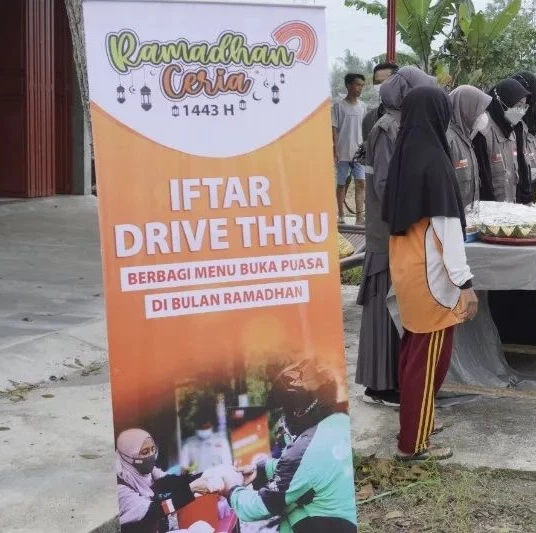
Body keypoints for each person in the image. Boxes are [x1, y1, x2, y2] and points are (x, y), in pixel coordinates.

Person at [383, 86, 477, 460]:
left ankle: (420, 421)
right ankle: (414, 442)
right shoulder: (436, 161)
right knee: (429, 357)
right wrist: (465, 283)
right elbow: (447, 229)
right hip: (433, 277)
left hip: (407, 270)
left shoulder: (404, 154)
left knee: (414, 351)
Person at [356, 66, 437, 408]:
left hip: (398, 229)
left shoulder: (400, 125)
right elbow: (385, 186)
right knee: (383, 307)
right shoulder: (386, 129)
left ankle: (394, 378)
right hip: (386, 232)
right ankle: (381, 383)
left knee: (398, 306)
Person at [219, 360, 357, 533]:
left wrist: (230, 490)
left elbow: (261, 506)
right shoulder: (340, 422)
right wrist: (260, 469)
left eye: (286, 411)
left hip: (327, 524)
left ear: (299, 410)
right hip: (347, 519)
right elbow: (311, 469)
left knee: (286, 509)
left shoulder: (304, 448)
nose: (284, 419)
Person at [116, 428, 204, 533]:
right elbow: (154, 511)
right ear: (128, 456)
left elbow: (174, 482)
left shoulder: (149, 473)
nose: (151, 455)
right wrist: (190, 490)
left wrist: (206, 475)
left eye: (153, 449)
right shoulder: (119, 488)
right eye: (144, 452)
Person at [474, 78, 530, 202]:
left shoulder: (512, 131)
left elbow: (518, 174)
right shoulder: (484, 129)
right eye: (518, 105)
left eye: (524, 106)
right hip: (490, 212)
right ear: (504, 100)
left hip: (509, 210)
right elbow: (483, 180)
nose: (521, 111)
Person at [447, 85, 492, 207]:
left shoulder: (467, 138)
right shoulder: (449, 139)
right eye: (480, 110)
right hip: (454, 220)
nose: (483, 115)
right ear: (466, 108)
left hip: (470, 219)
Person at [332, 73, 367, 224]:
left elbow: (365, 129)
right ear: (348, 85)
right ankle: (340, 214)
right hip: (343, 152)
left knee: (361, 183)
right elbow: (334, 129)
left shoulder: (363, 106)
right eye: (357, 85)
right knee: (341, 184)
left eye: (361, 85)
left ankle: (360, 217)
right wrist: (335, 150)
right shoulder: (338, 106)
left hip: (359, 153)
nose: (360, 88)